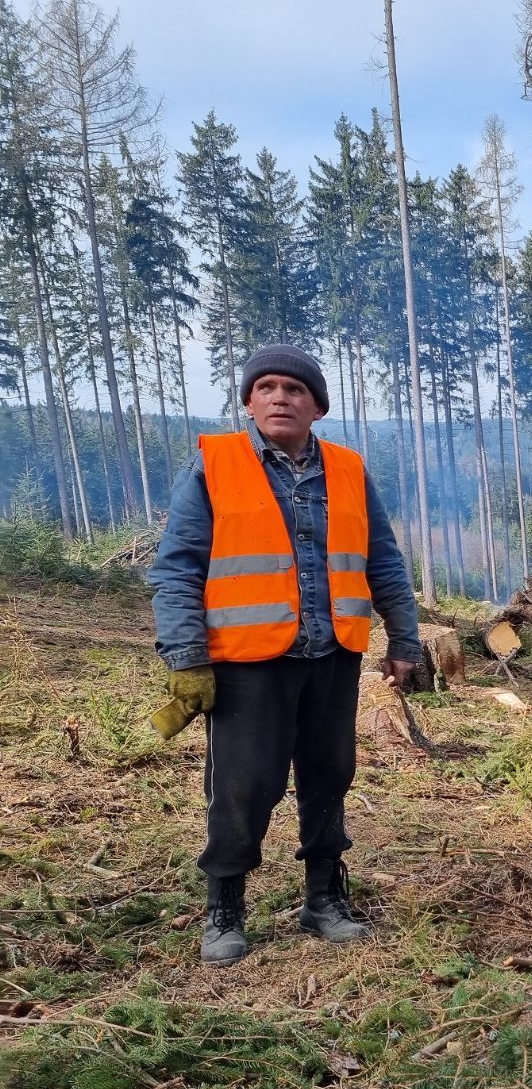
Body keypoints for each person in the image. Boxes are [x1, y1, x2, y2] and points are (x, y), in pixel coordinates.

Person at [149, 344, 422, 968]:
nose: (280, 397)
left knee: (330, 777)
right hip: (247, 661)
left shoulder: (349, 471)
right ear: (248, 402)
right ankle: (225, 908)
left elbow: (384, 561)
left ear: (317, 407)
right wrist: (187, 656)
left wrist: (405, 641)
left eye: (295, 389)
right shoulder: (213, 467)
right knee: (242, 788)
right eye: (266, 387)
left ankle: (323, 899)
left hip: (333, 655)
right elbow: (178, 568)